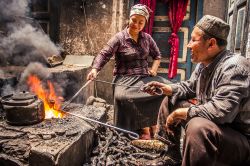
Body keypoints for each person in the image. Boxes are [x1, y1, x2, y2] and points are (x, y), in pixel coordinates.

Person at [144, 15, 250, 165]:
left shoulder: (234, 67)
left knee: (198, 127)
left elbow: (221, 112)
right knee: (170, 101)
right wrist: (167, 89)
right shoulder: (204, 64)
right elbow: (190, 87)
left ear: (211, 44)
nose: (188, 45)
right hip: (217, 128)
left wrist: (183, 113)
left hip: (240, 141)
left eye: (193, 40)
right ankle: (169, 157)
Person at [87, 4, 170, 139]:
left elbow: (157, 56)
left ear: (145, 23)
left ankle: (154, 126)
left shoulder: (147, 38)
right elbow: (104, 54)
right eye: (134, 20)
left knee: (164, 91)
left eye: (141, 22)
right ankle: (144, 130)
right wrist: (95, 69)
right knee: (123, 97)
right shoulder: (119, 38)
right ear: (129, 19)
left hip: (144, 77)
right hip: (124, 78)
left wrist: (154, 70)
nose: (136, 24)